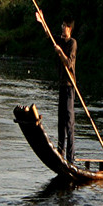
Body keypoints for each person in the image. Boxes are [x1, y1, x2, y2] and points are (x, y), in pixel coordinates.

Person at [36, 10, 78, 164]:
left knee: (69, 123)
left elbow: (68, 63)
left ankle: (70, 158)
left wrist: (60, 52)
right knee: (60, 121)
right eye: (62, 25)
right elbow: (49, 36)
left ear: (70, 28)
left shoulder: (72, 43)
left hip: (69, 87)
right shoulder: (59, 40)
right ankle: (60, 154)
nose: (63, 28)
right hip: (61, 86)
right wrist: (42, 22)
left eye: (65, 26)